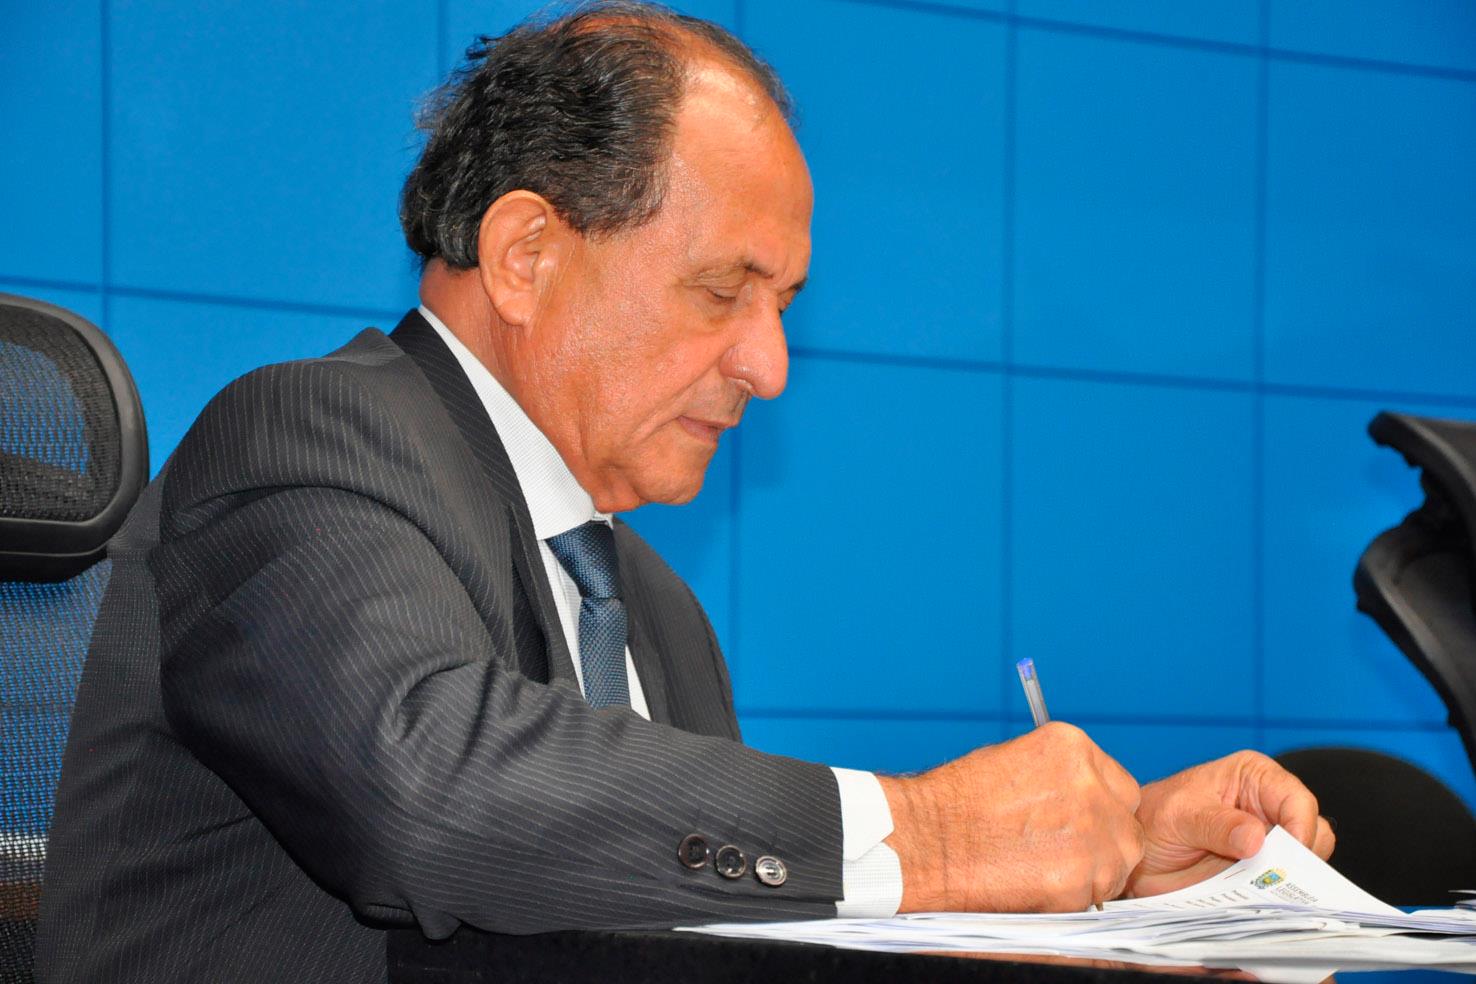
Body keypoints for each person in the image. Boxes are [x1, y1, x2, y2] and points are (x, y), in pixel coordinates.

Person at [35, 4, 1333, 982]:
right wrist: (934, 834)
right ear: (527, 254)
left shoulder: (649, 606)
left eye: (785, 305)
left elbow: (696, 914)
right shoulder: (305, 440)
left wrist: (1101, 877)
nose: (770, 367)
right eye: (723, 291)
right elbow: (430, 797)